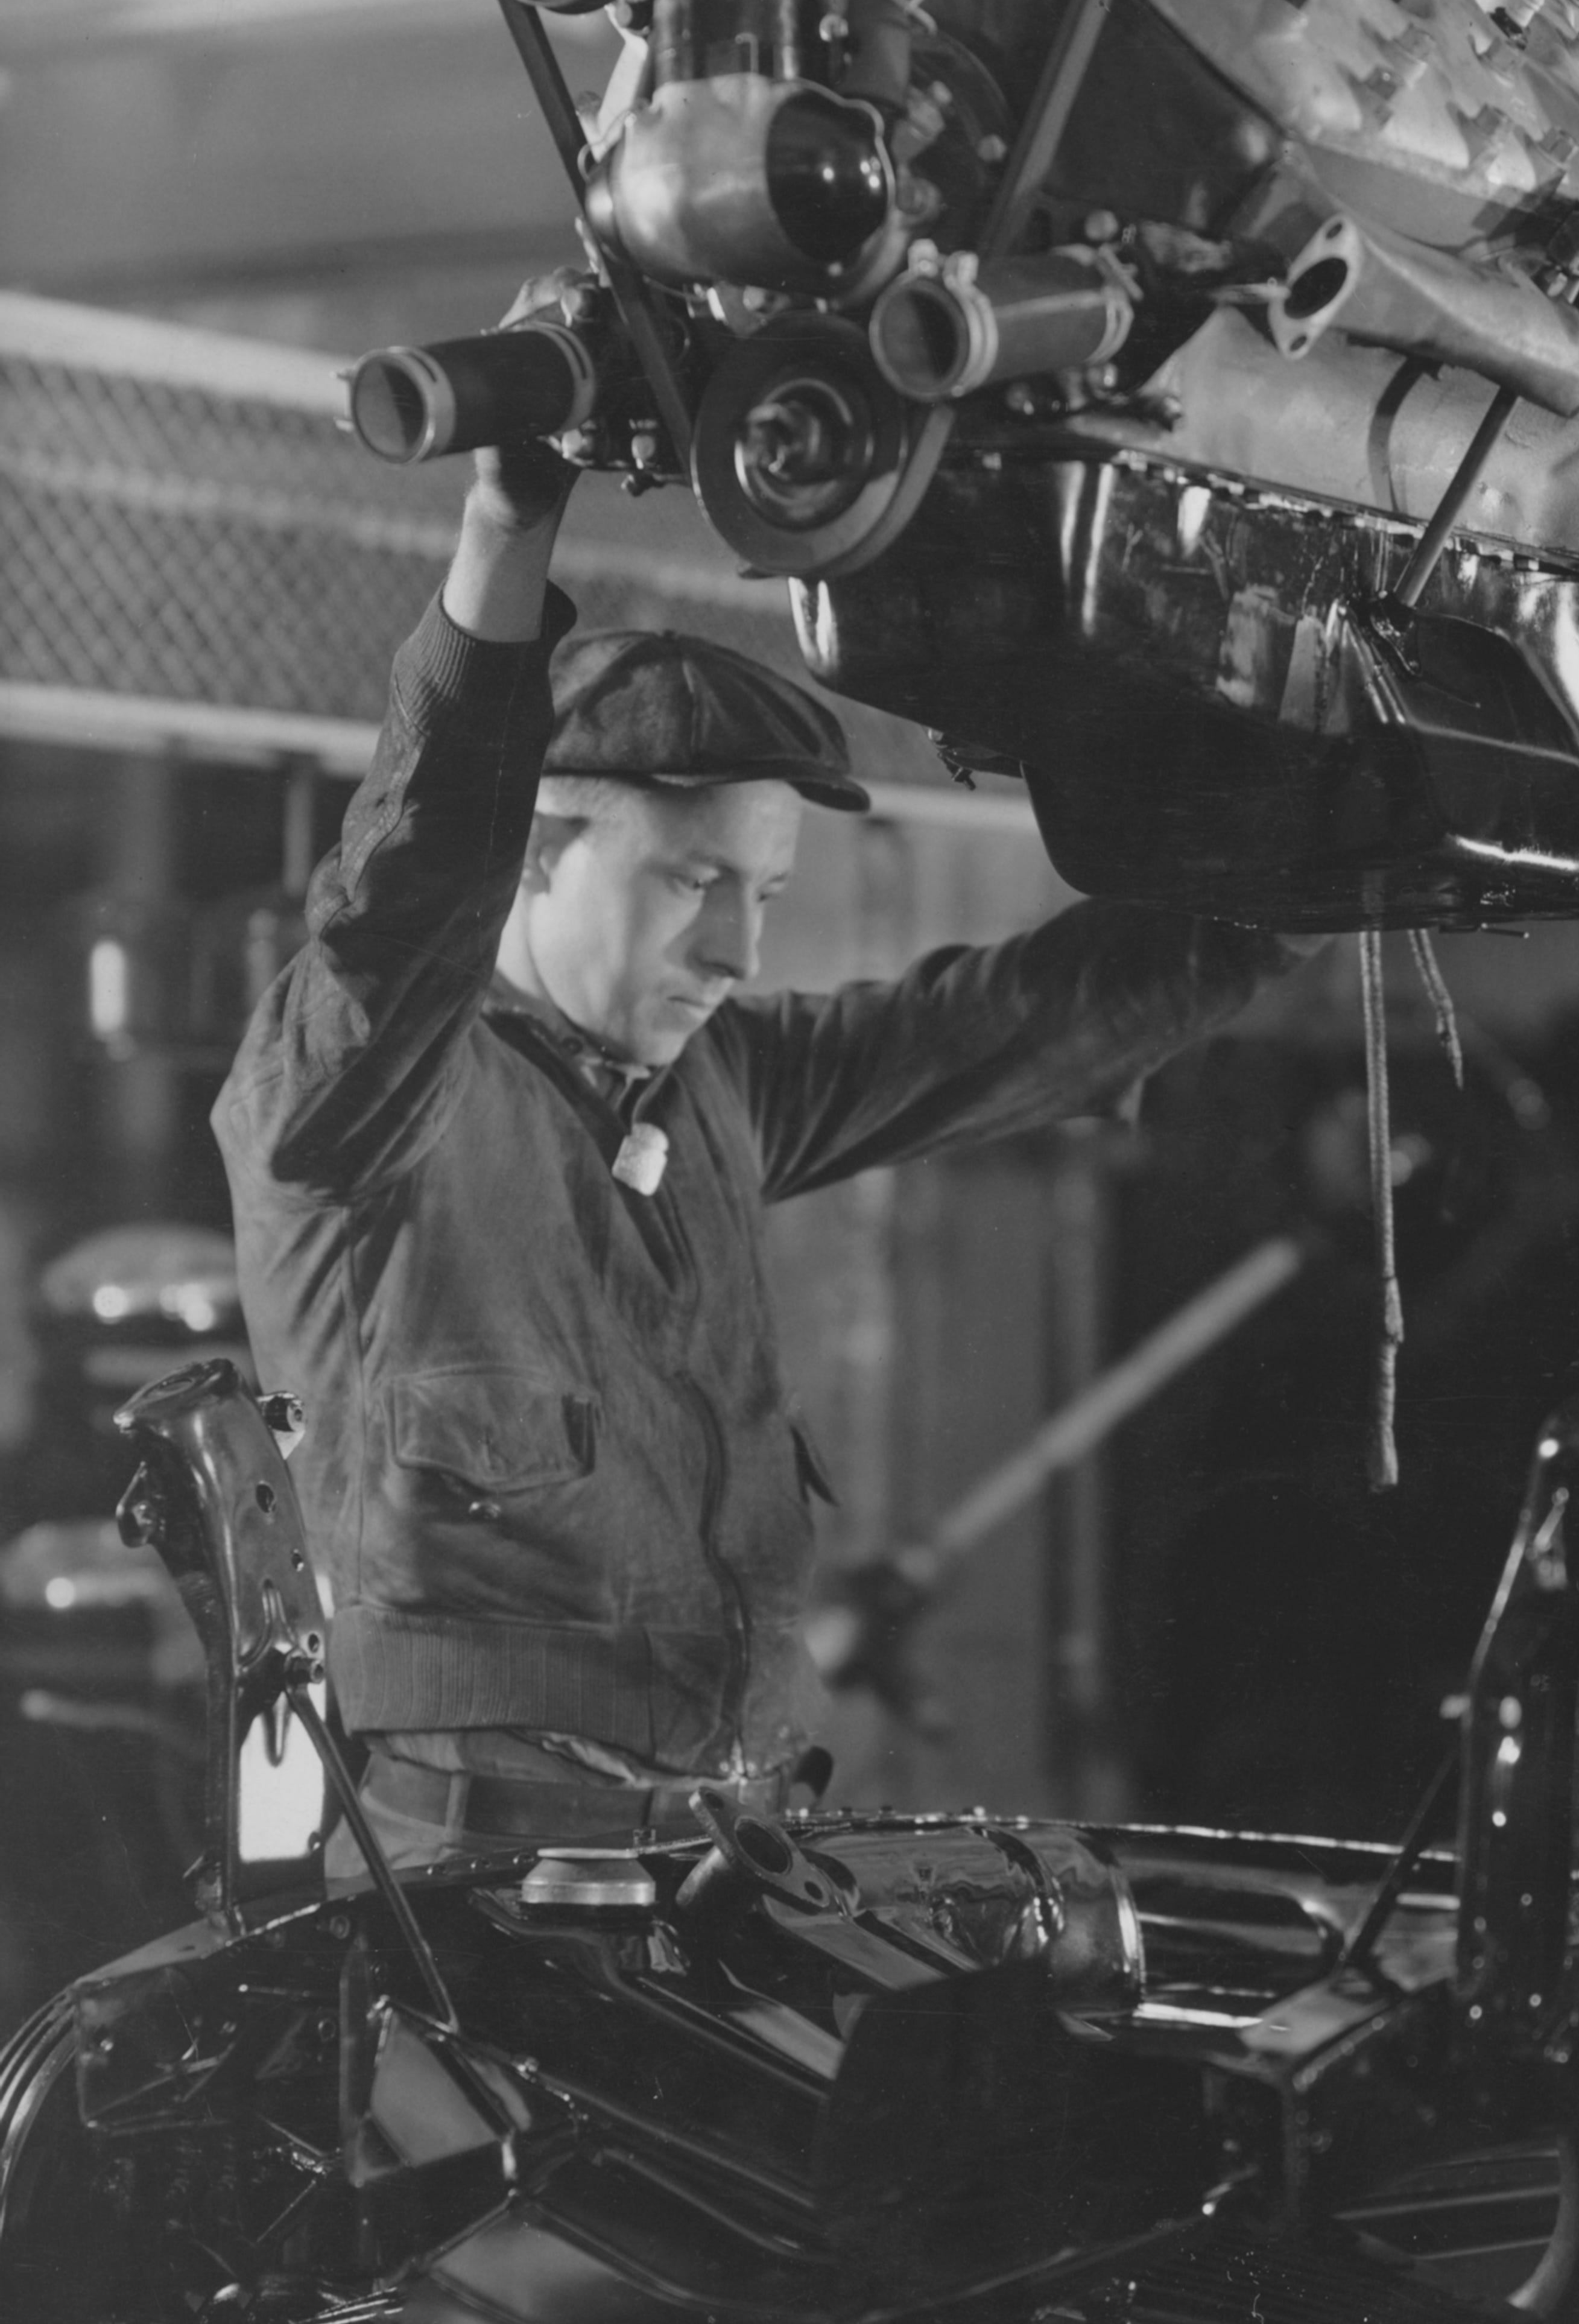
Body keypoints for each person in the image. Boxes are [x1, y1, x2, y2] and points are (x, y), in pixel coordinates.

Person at [215, 414, 1297, 1872]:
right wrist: (504, 538)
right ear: (535, 855)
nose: (738, 951)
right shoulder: (363, 1093)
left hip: (723, 1849)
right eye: (691, 883)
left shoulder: (716, 1080)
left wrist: (1305, 859)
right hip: (466, 1882)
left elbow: (1023, 1023)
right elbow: (410, 883)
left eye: (767, 897)